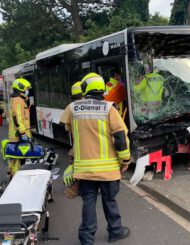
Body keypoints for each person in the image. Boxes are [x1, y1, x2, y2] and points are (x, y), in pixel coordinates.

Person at [61, 72, 131, 244]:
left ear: (85, 88)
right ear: (101, 89)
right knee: (110, 200)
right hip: (108, 169)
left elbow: (68, 129)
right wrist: (126, 160)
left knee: (88, 202)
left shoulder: (73, 108)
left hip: (85, 169)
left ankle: (86, 238)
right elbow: (121, 137)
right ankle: (115, 232)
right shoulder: (110, 108)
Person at [8, 78, 32, 177]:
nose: (27, 91)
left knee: (15, 158)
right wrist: (23, 133)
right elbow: (17, 117)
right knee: (18, 158)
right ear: (21, 89)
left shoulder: (19, 100)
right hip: (18, 135)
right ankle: (16, 178)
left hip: (17, 133)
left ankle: (14, 175)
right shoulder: (18, 100)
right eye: (26, 89)